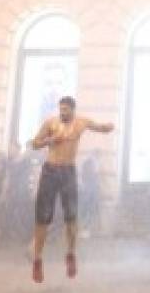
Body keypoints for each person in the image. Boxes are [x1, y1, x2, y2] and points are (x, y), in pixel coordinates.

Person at [30, 97, 114, 283]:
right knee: (42, 217)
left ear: (73, 110)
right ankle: (37, 259)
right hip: (50, 170)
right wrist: (50, 139)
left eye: (66, 109)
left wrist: (107, 127)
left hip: (68, 171)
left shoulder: (81, 122)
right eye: (61, 109)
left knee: (71, 216)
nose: (63, 112)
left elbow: (97, 126)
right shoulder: (51, 122)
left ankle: (70, 254)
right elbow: (34, 143)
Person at [80, 149, 103, 238]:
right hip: (89, 189)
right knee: (88, 209)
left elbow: (94, 176)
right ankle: (86, 230)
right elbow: (89, 175)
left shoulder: (92, 162)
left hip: (91, 189)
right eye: (98, 155)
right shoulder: (89, 162)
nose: (99, 157)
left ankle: (89, 229)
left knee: (90, 209)